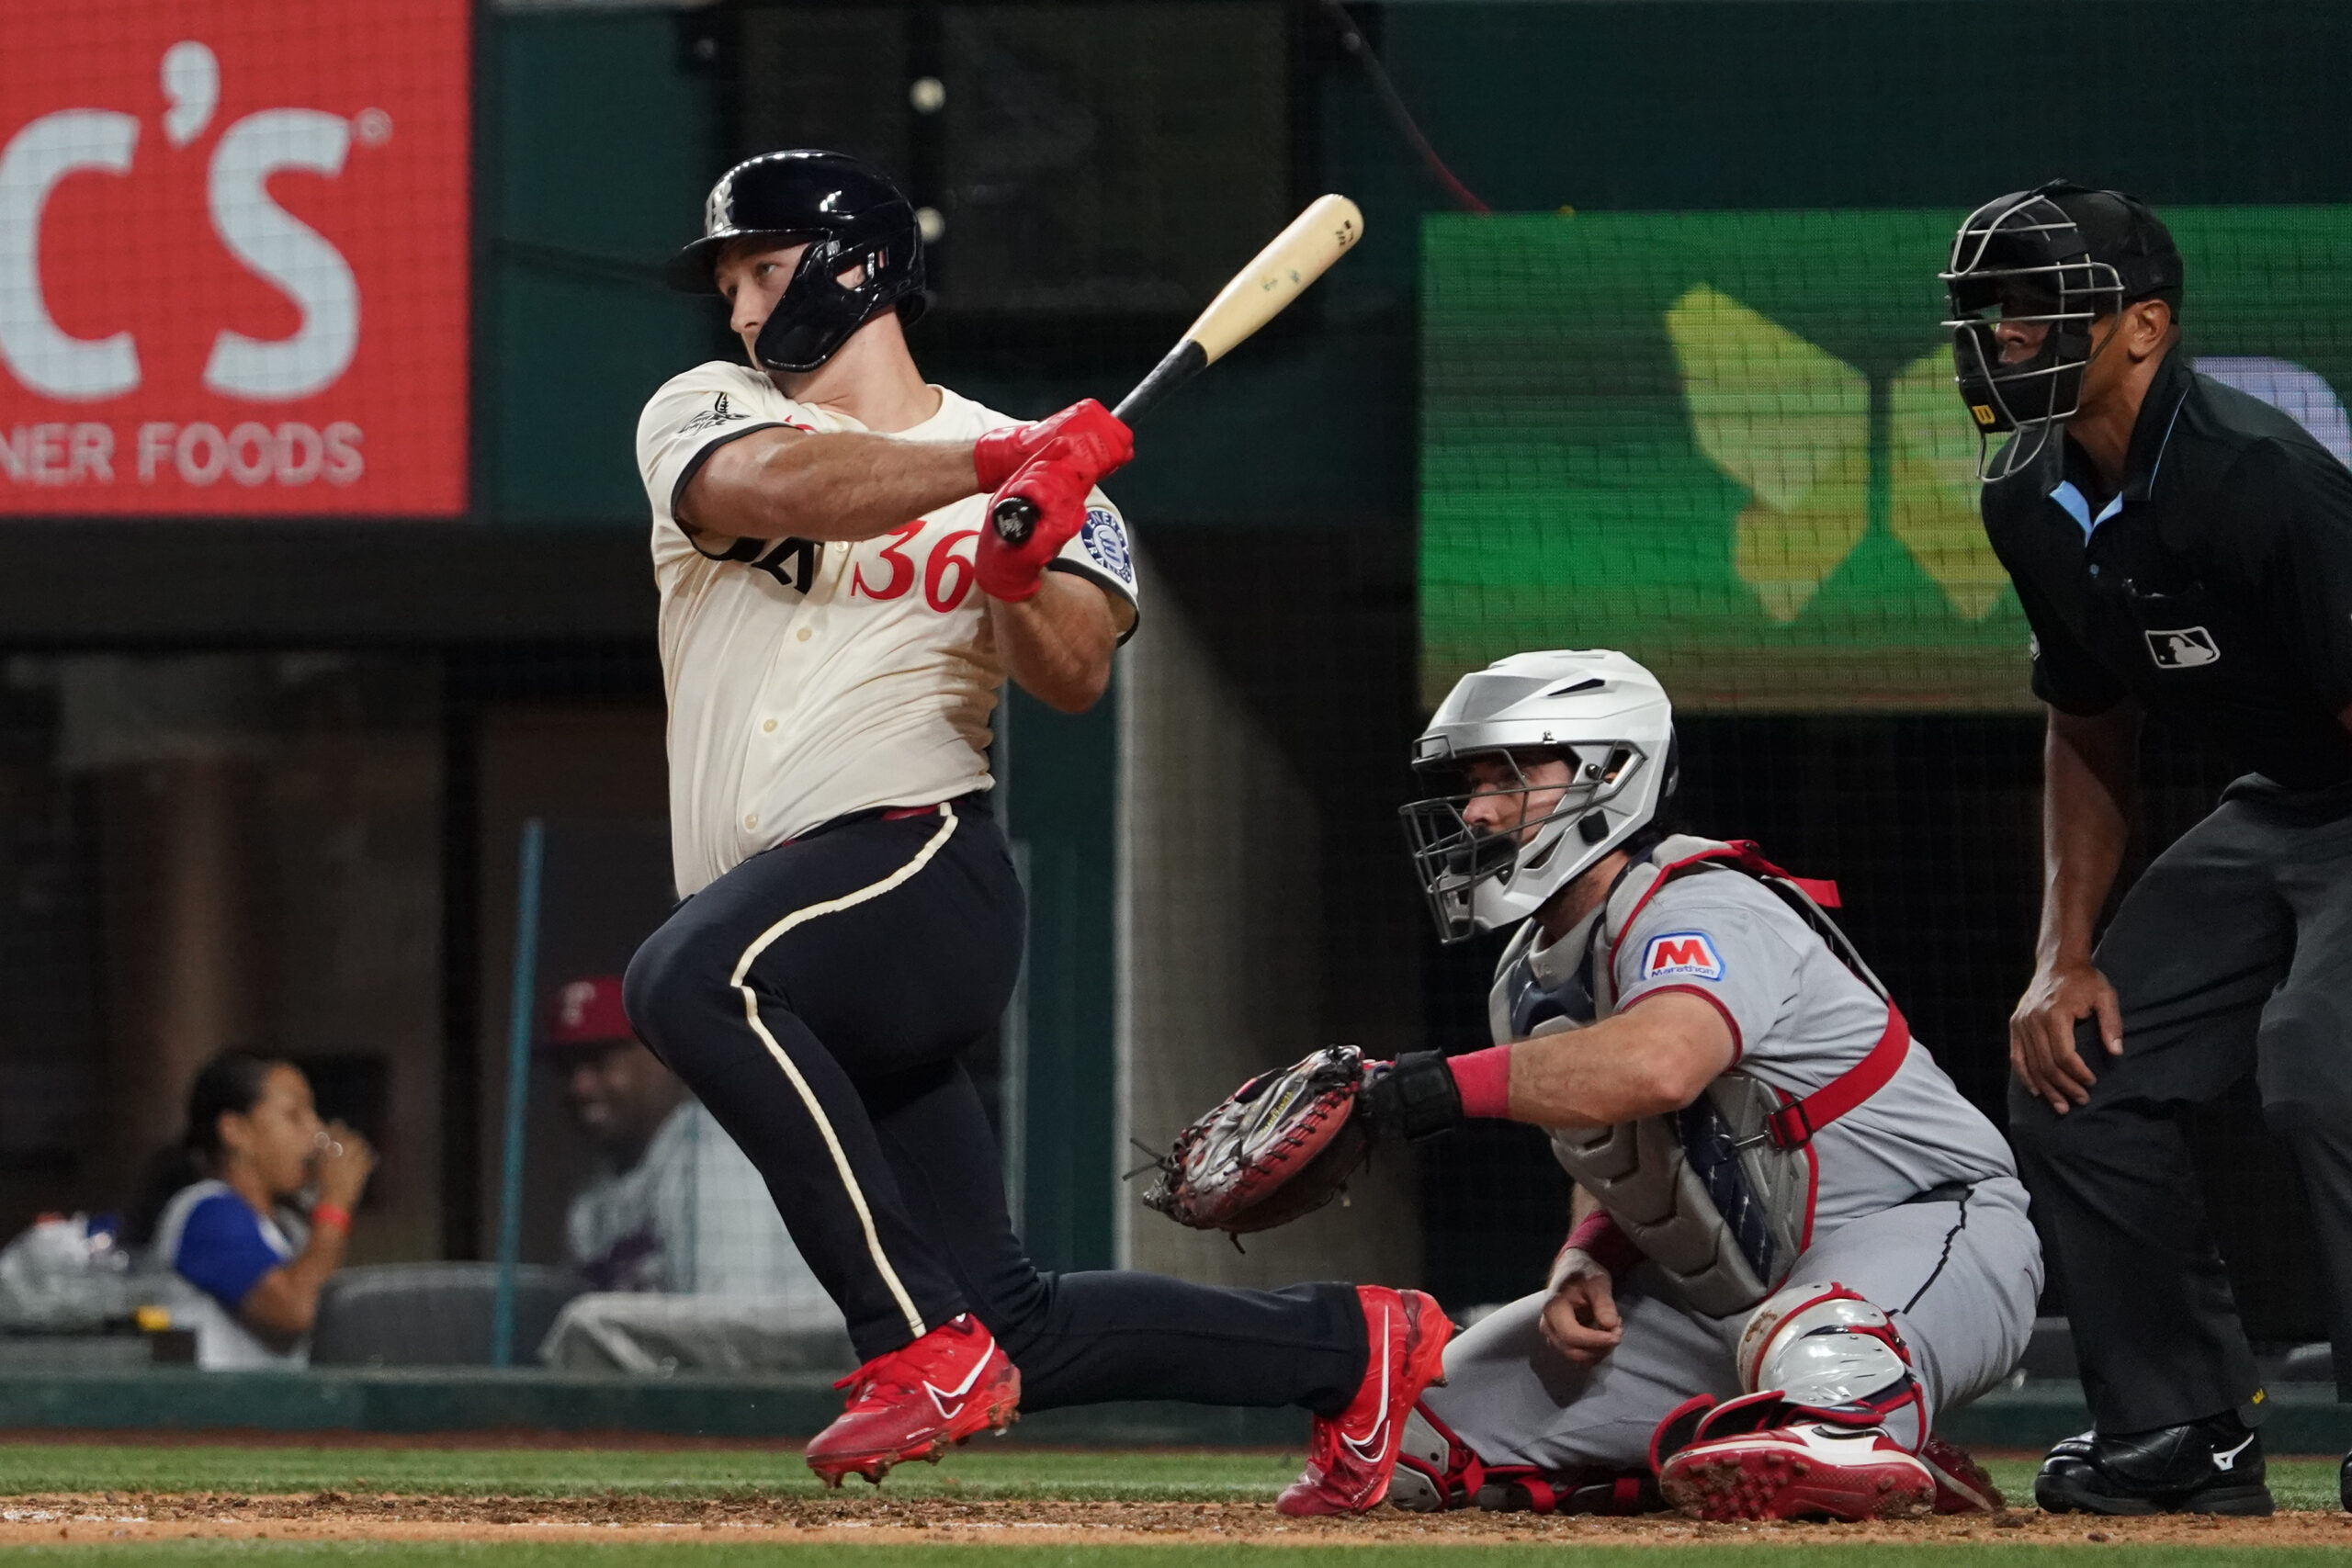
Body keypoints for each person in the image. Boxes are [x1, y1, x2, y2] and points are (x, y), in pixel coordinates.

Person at [622, 148, 1444, 1510]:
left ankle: (911, 1347)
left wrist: (1014, 559)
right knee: (1019, 1324)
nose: (744, 309)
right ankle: (1356, 1344)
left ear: (861, 268)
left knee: (685, 976)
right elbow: (763, 490)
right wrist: (993, 463)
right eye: (731, 282)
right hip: (790, 922)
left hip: (914, 867)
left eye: (765, 270)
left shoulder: (1066, 486)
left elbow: (1072, 673)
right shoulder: (708, 408)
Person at [1362, 649, 2037, 1522]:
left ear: (1611, 774)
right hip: (1729, 1300)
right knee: (1421, 1438)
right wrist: (1591, 1253)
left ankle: (1844, 1424)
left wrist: (1425, 1088)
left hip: (1930, 1230)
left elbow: (1659, 1062)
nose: (1479, 809)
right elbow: (1619, 1136)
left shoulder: (1703, 901)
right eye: (1474, 781)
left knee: (1828, 1350)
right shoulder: (1522, 980)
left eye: (1514, 774)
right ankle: (1743, 1438)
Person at [1949, 181, 2352, 1516]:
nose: (2005, 333)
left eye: (2038, 303)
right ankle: (2181, 1434)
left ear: (2143, 326)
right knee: (2075, 1067)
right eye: (1990, 308)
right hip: (2286, 798)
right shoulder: (2023, 493)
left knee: (2323, 1066)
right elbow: (2087, 723)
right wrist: (2057, 956)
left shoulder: (2263, 479)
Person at [534, 974, 850, 1372]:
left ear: (660, 1057)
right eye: (566, 1068)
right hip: (709, 1379)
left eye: (600, 1060)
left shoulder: (716, 1151)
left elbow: (737, 1333)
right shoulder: (592, 1199)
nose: (580, 1086)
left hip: (809, 1375)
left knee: (589, 1324)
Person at [136, 1053, 375, 1370]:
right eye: (294, 1116)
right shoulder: (208, 1213)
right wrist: (334, 1206)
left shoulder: (289, 1224)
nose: (316, 1129)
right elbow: (296, 1310)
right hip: (222, 1415)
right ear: (236, 1131)